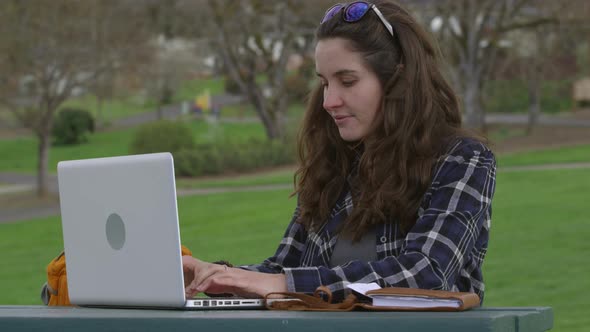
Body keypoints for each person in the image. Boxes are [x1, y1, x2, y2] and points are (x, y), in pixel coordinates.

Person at [183, 0, 496, 303]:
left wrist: (280, 282)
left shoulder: (462, 160)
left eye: (347, 81)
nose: (328, 101)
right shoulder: (333, 164)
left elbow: (426, 274)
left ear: (397, 80)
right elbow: (282, 271)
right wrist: (214, 277)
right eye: (324, 83)